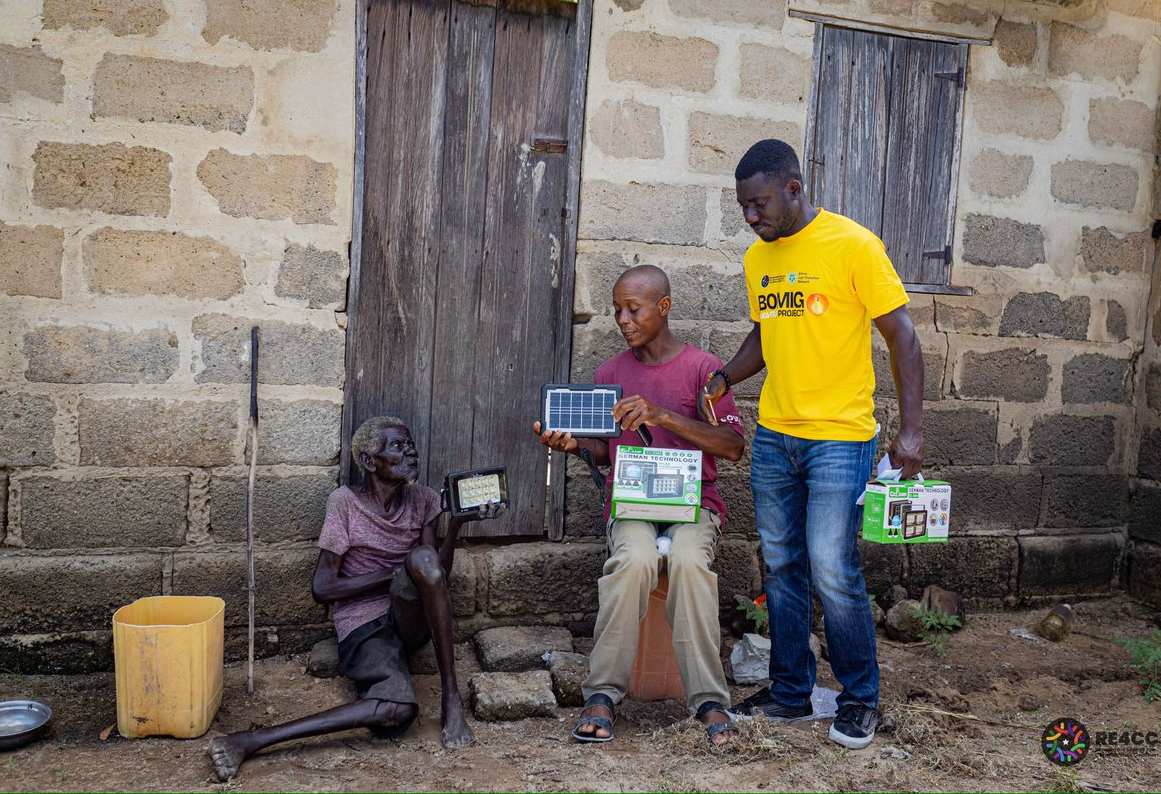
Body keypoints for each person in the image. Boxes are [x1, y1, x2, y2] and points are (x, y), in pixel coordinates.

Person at [701, 139, 925, 750]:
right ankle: (791, 694)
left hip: (839, 439)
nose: (752, 217)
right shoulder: (759, 259)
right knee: (781, 567)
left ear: (794, 189)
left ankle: (859, 700)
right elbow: (765, 334)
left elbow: (903, 336)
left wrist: (911, 431)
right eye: (744, 207)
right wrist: (725, 376)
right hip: (776, 436)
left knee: (832, 568)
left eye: (761, 203)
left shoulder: (853, 244)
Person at [209, 416, 502, 781]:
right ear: (368, 461)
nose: (410, 452)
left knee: (423, 559)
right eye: (397, 446)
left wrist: (455, 525)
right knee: (395, 711)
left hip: (410, 617)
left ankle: (450, 696)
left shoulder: (424, 500)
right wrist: (394, 575)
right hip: (364, 623)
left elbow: (434, 575)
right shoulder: (344, 503)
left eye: (410, 445)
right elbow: (323, 588)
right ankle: (252, 740)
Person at [533, 265, 746, 746]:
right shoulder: (610, 373)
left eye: (634, 309)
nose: (622, 320)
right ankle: (602, 695)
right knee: (634, 560)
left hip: (694, 504)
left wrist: (662, 413)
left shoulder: (703, 370)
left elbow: (732, 445)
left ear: (663, 307)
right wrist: (574, 446)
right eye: (617, 310)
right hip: (632, 504)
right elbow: (606, 451)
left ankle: (710, 702)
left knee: (690, 561)